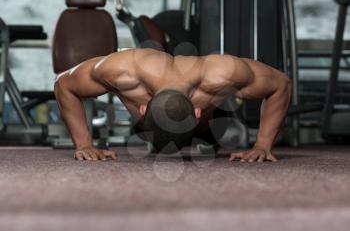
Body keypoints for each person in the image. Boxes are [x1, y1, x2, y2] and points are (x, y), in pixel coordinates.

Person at [54, 48, 291, 162]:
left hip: (207, 129)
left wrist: (262, 146)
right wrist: (83, 144)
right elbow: (63, 84)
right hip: (157, 128)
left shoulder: (222, 74)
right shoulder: (122, 69)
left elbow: (281, 84)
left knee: (216, 128)